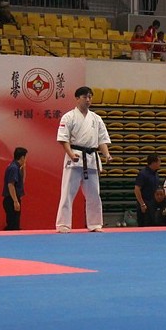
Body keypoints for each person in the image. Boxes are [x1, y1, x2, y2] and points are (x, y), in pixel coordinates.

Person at [54, 85, 112, 232]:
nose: (88, 100)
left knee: (94, 194)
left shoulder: (96, 119)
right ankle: (63, 224)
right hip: (75, 157)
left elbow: (102, 139)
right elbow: (63, 138)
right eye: (85, 97)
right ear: (77, 98)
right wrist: (70, 153)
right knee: (67, 193)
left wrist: (106, 154)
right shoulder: (69, 117)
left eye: (90, 97)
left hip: (91, 158)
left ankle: (95, 224)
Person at [133, 154, 163, 227]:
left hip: (154, 204)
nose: (160, 163)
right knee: (144, 224)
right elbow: (137, 189)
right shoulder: (143, 174)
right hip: (145, 203)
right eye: (159, 162)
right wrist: (142, 204)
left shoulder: (156, 174)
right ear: (153, 163)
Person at [2, 146, 28, 231]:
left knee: (15, 223)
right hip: (11, 200)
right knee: (13, 226)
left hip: (14, 199)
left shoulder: (17, 167)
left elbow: (21, 182)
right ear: (22, 157)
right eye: (26, 157)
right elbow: (11, 185)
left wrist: (24, 169)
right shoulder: (13, 168)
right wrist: (15, 201)